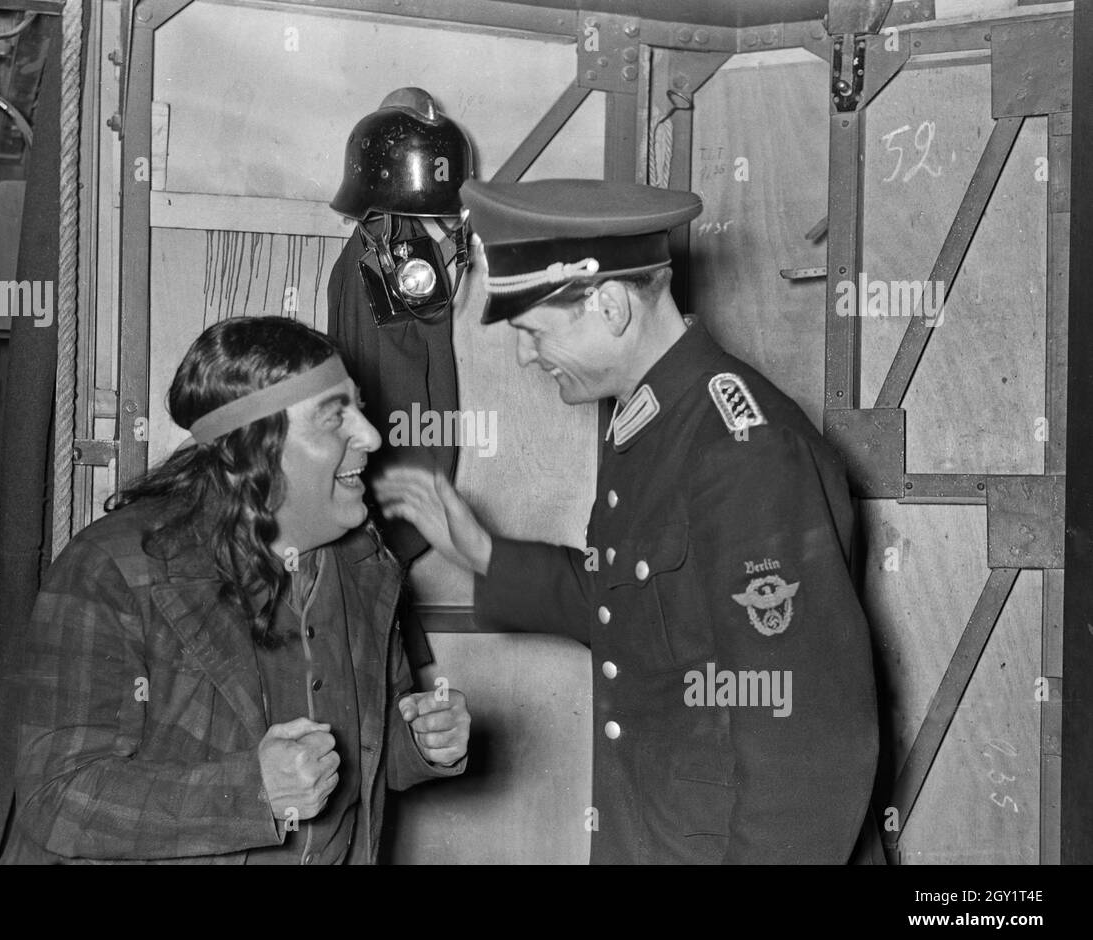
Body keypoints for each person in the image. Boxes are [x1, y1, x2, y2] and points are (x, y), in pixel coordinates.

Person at [375, 179, 880, 864]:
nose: (526, 355)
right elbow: (634, 613)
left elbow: (810, 734)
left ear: (610, 307)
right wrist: (483, 551)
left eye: (531, 331)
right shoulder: (650, 424)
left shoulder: (742, 450)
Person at [2, 316, 469, 864]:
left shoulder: (364, 566)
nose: (370, 435)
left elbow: (356, 754)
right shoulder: (114, 569)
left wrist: (420, 742)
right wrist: (251, 793)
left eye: (358, 408)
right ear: (255, 449)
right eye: (333, 418)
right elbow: (57, 798)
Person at [327, 87, 476, 675]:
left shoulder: (375, 246)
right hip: (397, 483)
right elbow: (409, 387)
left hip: (390, 489)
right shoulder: (393, 253)